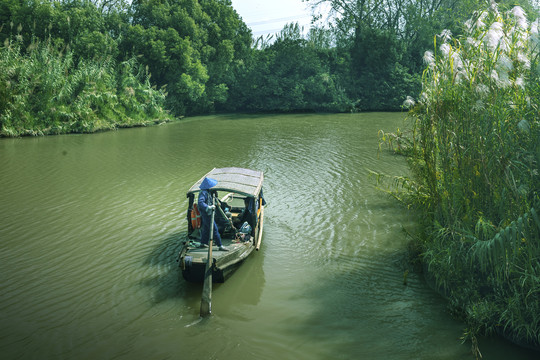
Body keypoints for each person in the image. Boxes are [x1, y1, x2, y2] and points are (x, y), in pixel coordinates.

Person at [197, 177, 228, 251]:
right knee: (215, 229)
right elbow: (200, 202)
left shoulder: (208, 192)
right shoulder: (203, 193)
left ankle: (203, 243)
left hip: (208, 214)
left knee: (206, 229)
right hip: (207, 214)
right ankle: (220, 246)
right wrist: (208, 207)